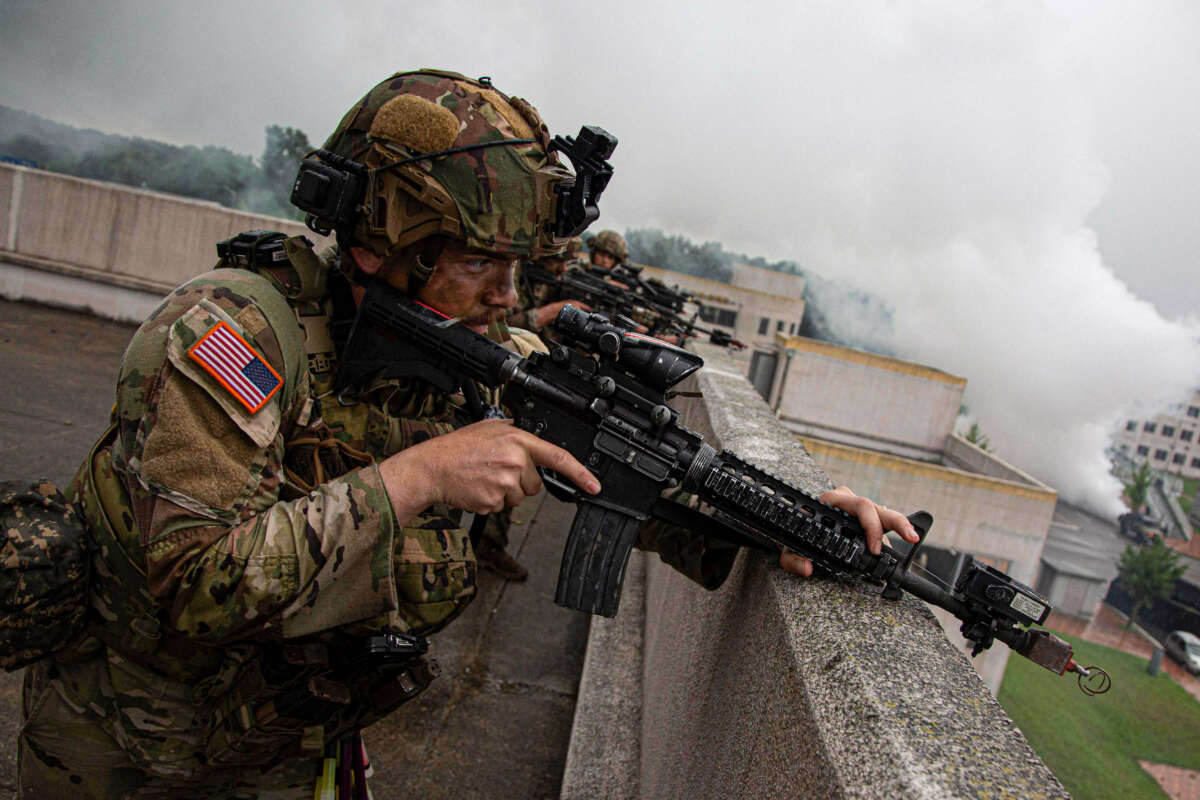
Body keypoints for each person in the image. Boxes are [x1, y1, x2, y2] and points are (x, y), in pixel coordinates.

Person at [17, 69, 917, 799]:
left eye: (519, 268)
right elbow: (194, 584)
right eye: (479, 263)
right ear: (380, 244)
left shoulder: (482, 353)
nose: (507, 298)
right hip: (135, 755)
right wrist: (417, 478)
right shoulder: (232, 336)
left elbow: (631, 479)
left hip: (285, 746)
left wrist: (797, 520)